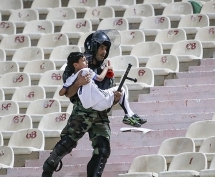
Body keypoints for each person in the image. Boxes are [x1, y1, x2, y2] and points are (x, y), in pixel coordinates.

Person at [41, 30, 146, 177]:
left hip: (100, 115)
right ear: (93, 46)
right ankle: (48, 167)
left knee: (103, 149)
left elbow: (107, 99)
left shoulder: (106, 69)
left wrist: (115, 98)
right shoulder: (78, 65)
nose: (104, 51)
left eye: (106, 48)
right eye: (101, 47)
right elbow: (68, 94)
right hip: (82, 112)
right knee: (67, 143)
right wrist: (78, 83)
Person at [60, 52, 145, 127]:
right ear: (75, 65)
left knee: (119, 92)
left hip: (91, 104)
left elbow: (62, 93)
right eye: (84, 60)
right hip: (100, 99)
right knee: (121, 89)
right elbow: (100, 78)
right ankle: (129, 115)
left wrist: (74, 85)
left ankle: (130, 114)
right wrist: (107, 68)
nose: (87, 62)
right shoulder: (86, 70)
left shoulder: (71, 77)